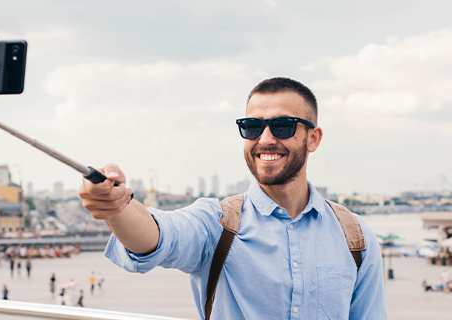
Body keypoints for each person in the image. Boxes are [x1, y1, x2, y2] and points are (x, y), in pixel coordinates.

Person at [80, 77, 388, 319]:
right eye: (252, 126)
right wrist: (116, 207)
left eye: (282, 125)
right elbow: (161, 235)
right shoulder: (218, 225)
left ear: (313, 138)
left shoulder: (356, 238)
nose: (266, 139)